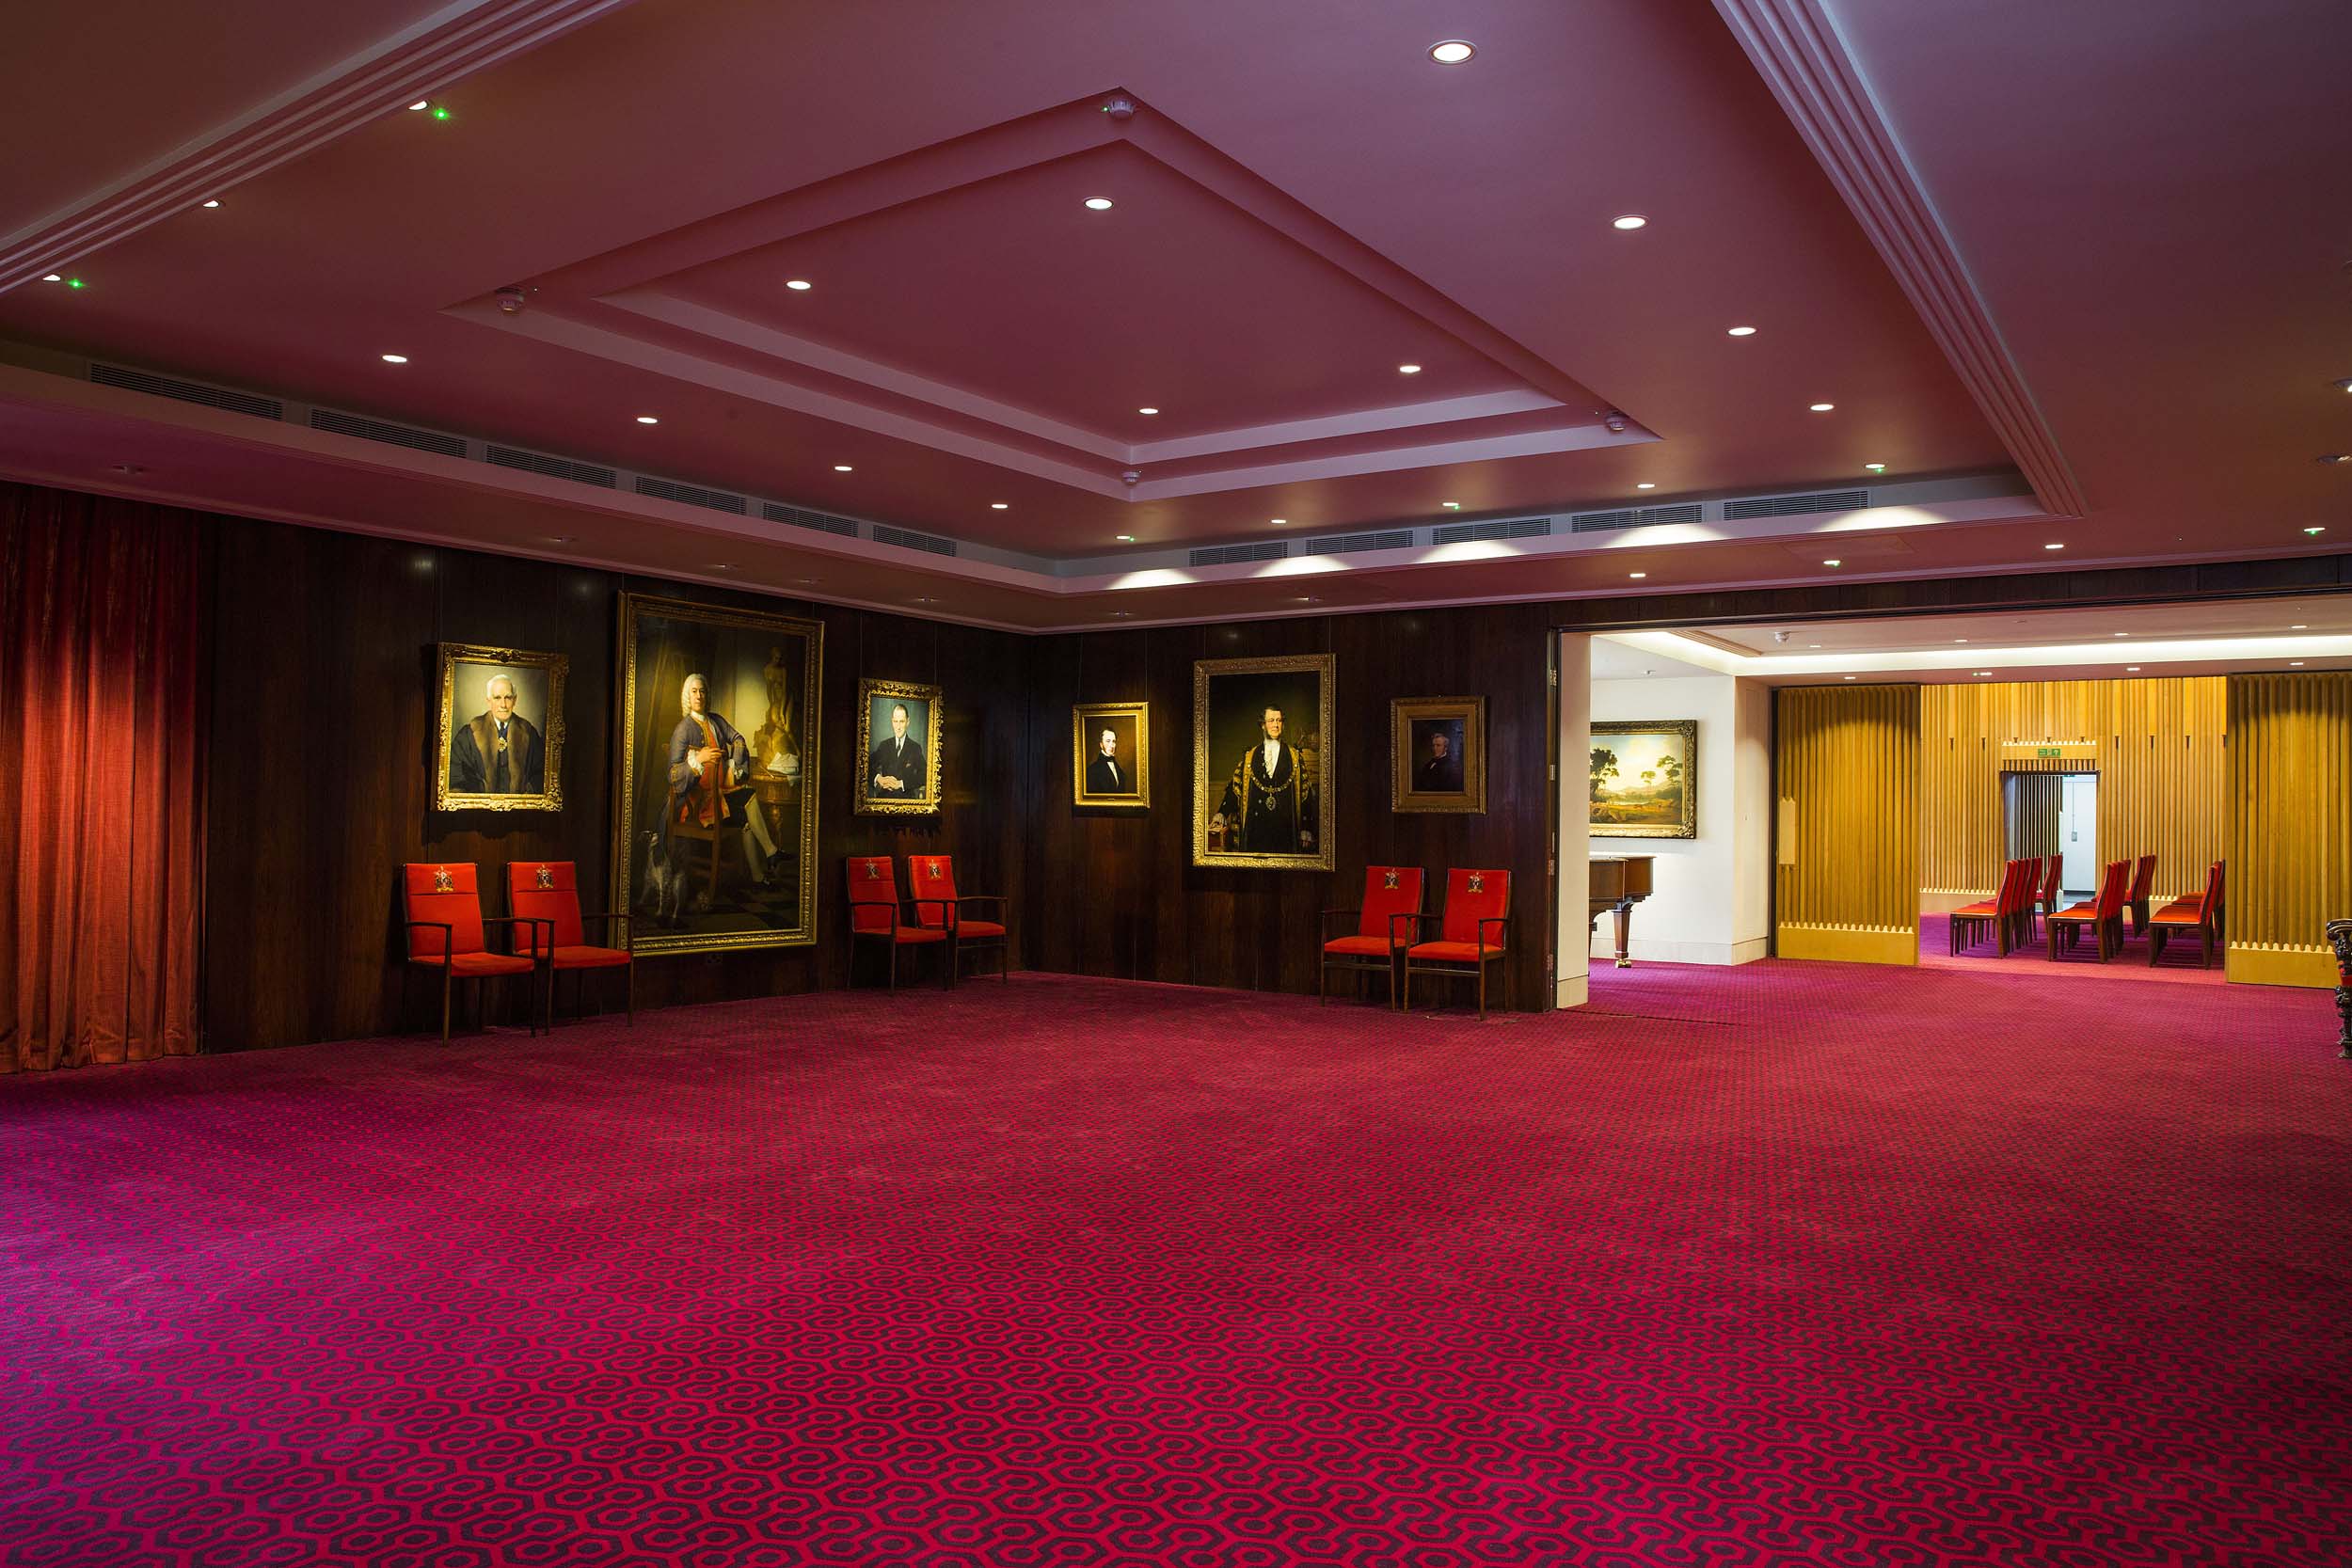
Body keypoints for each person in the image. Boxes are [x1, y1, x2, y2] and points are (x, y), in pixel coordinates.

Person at [666, 673, 782, 882]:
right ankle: (768, 856)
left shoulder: (716, 720)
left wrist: (734, 766)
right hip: (697, 805)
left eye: (702, 691)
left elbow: (738, 739)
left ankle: (762, 867)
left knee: (748, 799)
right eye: (694, 691)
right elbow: (673, 774)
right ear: (687, 697)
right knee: (747, 807)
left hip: (719, 794)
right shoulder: (683, 729)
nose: (699, 696)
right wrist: (698, 759)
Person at [1210, 705, 1316, 853]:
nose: (1276, 725)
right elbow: (1236, 788)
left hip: (1285, 829)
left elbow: (1305, 794)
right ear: (1263, 725)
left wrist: (1306, 828)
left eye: (1279, 720)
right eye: (1271, 720)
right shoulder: (1250, 756)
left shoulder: (1295, 756)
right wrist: (1222, 812)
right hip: (1256, 828)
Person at [450, 673, 544, 794]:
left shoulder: (529, 733)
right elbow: (457, 776)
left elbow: (541, 774)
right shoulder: (469, 734)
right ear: (489, 701)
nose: (503, 705)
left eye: (508, 697)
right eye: (497, 698)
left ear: (515, 700)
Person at [867, 702, 927, 799]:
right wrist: (878, 778)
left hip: (906, 800)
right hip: (884, 799)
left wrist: (901, 784)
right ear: (892, 722)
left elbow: (925, 775)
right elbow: (865, 765)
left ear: (908, 722)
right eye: (895, 721)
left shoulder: (915, 748)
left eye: (902, 721)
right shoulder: (884, 746)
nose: (898, 727)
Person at [1087, 726, 1134, 795]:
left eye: (1113, 741)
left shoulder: (1118, 768)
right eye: (1108, 741)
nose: (1111, 745)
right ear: (1101, 744)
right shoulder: (1092, 770)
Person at [1417, 727, 1463, 793]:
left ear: (1445, 748)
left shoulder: (1452, 766)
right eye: (1433, 745)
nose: (1434, 748)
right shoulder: (1428, 765)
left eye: (1438, 745)